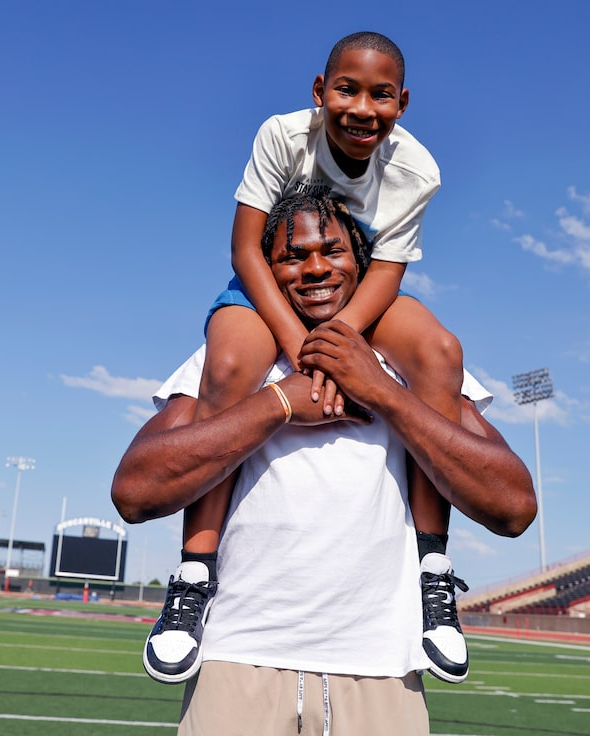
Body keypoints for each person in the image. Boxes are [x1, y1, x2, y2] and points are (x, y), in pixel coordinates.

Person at [112, 193, 537, 735]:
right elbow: (135, 490)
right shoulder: (240, 356)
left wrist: (381, 392)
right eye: (293, 256)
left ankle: (437, 577)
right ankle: (191, 583)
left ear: (363, 263)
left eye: (333, 251)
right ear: (267, 272)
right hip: (238, 655)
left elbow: (513, 506)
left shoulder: (406, 363)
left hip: (383, 667)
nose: (315, 268)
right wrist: (280, 403)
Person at [151, 30, 470, 686]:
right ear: (320, 92)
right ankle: (193, 577)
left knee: (440, 352)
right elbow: (245, 249)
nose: (362, 108)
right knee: (232, 364)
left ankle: (433, 574)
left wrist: (338, 344)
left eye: (381, 95)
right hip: (269, 279)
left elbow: (385, 272)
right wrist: (301, 350)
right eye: (346, 90)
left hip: (358, 291)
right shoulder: (281, 135)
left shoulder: (419, 172)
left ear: (402, 103)